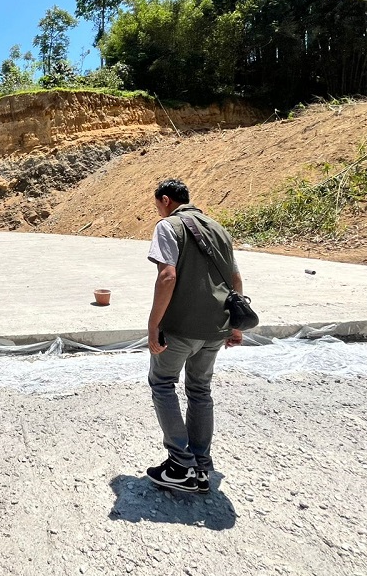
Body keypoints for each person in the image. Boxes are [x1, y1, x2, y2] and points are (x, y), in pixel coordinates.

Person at [145, 178, 243, 495]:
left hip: (180, 328)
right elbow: (235, 278)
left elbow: (167, 276)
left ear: (165, 200)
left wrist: (153, 325)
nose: (158, 211)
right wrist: (235, 325)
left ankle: (180, 465)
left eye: (157, 205)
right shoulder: (219, 229)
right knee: (200, 390)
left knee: (163, 383)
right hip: (215, 328)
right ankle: (200, 466)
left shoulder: (168, 226)